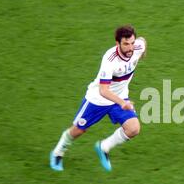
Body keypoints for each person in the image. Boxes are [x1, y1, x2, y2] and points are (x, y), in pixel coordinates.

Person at [50, 25, 147, 172]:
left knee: (133, 129)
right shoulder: (110, 60)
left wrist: (142, 53)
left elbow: (142, 42)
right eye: (126, 44)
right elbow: (103, 90)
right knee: (79, 130)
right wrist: (123, 103)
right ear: (117, 43)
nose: (130, 48)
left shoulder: (136, 48)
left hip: (120, 97)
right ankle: (58, 152)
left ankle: (104, 147)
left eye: (132, 43)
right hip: (98, 99)